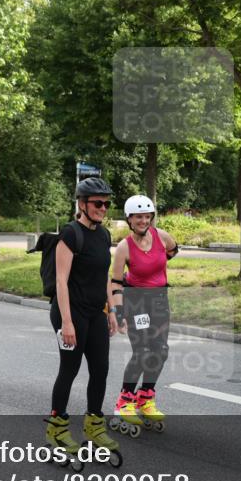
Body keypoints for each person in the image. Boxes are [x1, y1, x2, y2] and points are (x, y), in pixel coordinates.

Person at [44, 177, 121, 462]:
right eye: (97, 203)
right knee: (70, 369)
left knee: (100, 369)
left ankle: (94, 425)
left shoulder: (103, 236)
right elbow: (61, 282)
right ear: (81, 204)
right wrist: (66, 322)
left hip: (95, 311)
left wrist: (111, 310)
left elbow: (104, 276)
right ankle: (57, 428)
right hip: (70, 312)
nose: (103, 208)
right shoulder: (70, 234)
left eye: (106, 203)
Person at [109, 194, 179, 435]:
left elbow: (173, 249)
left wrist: (156, 268)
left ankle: (145, 398)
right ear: (129, 219)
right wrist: (118, 311)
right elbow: (116, 282)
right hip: (137, 303)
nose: (143, 220)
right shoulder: (124, 247)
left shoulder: (162, 237)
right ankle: (124, 401)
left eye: (147, 216)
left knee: (161, 351)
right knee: (143, 352)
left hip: (159, 301)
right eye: (138, 216)